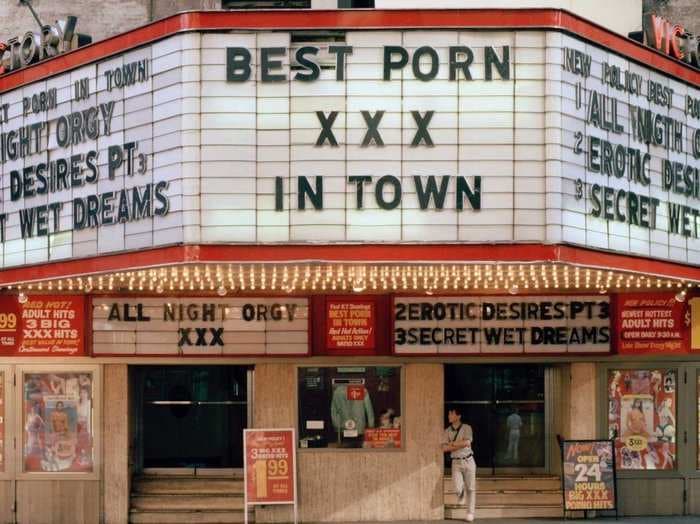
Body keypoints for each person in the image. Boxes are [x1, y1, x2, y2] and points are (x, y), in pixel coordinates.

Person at [442, 407, 476, 522]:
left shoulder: (467, 428)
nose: (449, 416)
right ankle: (460, 494)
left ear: (458, 416)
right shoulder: (447, 431)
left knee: (471, 488)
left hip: (469, 460)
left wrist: (452, 444)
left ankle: (470, 512)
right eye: (449, 414)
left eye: (451, 414)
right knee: (457, 485)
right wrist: (458, 444)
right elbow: (444, 448)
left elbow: (467, 442)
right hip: (456, 461)